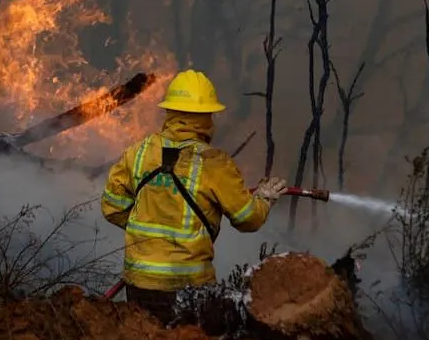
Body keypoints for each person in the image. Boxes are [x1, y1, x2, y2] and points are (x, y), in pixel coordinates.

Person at [100, 69, 288, 324]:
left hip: (139, 284)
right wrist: (265, 199)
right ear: (206, 117)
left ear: (171, 112)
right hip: (189, 288)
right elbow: (248, 219)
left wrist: (148, 223)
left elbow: (112, 207)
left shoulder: (138, 153)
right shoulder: (214, 163)